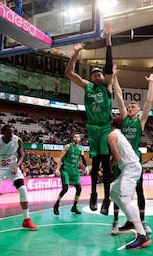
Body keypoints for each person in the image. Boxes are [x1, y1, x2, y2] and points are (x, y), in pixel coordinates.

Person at [65, 22, 114, 215]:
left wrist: (108, 40)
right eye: (94, 74)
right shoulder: (87, 86)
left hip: (105, 127)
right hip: (92, 128)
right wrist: (75, 54)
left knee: (104, 161)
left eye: (99, 73)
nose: (97, 76)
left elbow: (109, 66)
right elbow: (69, 73)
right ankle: (94, 194)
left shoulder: (107, 86)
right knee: (94, 165)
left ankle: (107, 199)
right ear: (91, 77)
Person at [110, 66, 153, 235]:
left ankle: (142, 221)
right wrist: (114, 78)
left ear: (138, 111)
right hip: (120, 159)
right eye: (129, 106)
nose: (129, 107)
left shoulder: (140, 121)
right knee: (116, 191)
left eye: (133, 106)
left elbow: (149, 102)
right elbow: (119, 96)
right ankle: (116, 221)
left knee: (139, 191)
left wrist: (151, 83)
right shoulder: (123, 119)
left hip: (134, 159)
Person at [108, 115, 151, 250]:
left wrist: (108, 167)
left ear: (111, 123)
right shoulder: (119, 134)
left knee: (125, 200)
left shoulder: (112, 135)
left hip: (131, 169)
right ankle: (131, 221)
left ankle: (142, 235)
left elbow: (117, 157)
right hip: (129, 168)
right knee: (113, 192)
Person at [53, 133, 88, 215]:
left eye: (78, 137)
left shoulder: (80, 148)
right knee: (65, 189)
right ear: (73, 138)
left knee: (79, 189)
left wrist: (86, 167)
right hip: (65, 169)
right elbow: (61, 157)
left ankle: (74, 207)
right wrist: (57, 169)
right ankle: (56, 205)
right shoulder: (68, 146)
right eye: (75, 137)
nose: (76, 138)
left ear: (80, 139)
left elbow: (83, 159)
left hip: (74, 170)